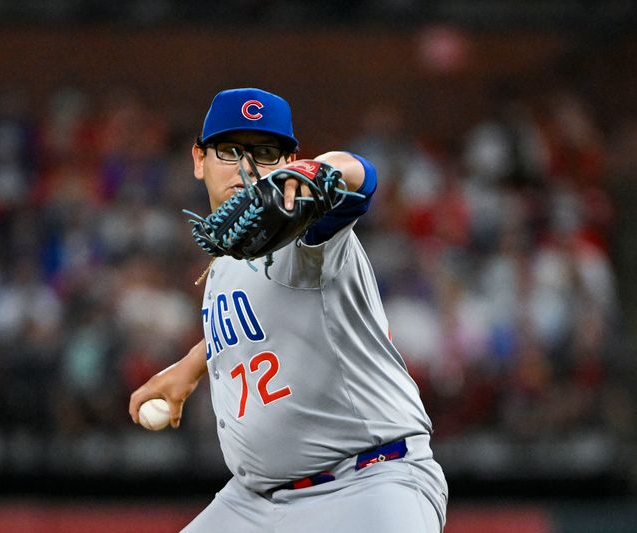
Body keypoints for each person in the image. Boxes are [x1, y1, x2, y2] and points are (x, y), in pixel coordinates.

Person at [129, 88, 448, 532]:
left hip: (368, 485)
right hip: (255, 503)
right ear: (199, 160)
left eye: (265, 152)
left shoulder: (310, 233)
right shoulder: (227, 257)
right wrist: (189, 366)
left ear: (289, 161)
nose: (246, 166)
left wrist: (320, 171)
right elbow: (266, 315)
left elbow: (360, 176)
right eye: (229, 150)